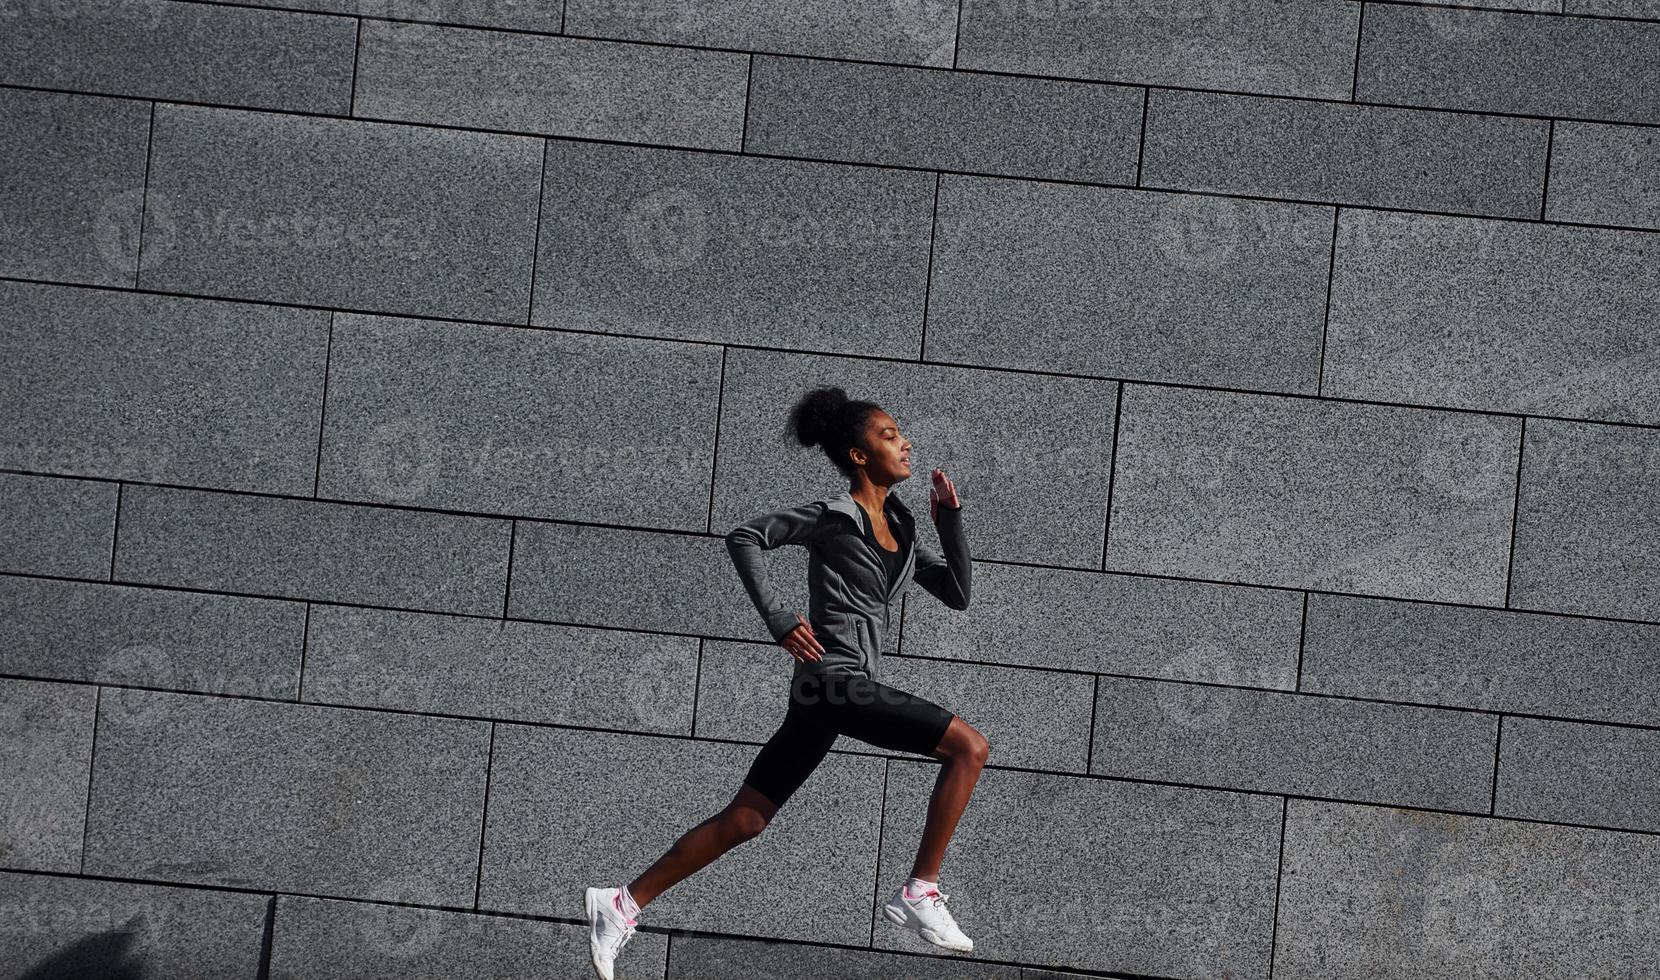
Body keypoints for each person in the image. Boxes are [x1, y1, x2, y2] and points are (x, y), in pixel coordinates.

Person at [584, 385, 990, 978]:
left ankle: (621, 902)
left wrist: (948, 521)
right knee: (969, 747)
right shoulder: (833, 516)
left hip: (827, 694)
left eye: (900, 433)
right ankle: (920, 891)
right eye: (888, 434)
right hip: (832, 682)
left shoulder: (900, 529)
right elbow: (745, 537)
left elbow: (957, 594)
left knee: (747, 819)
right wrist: (779, 619)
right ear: (858, 455)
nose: (904, 443)